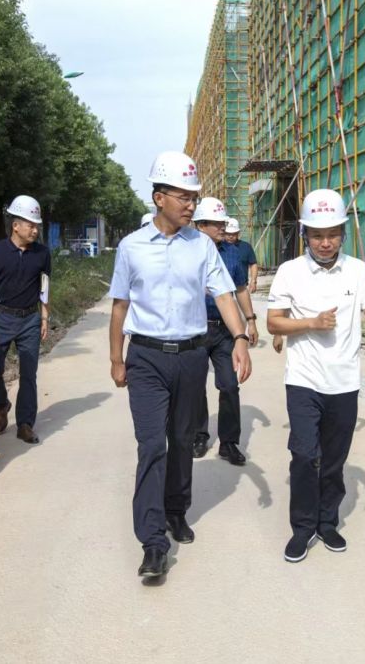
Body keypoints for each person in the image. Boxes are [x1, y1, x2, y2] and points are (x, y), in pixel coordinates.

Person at [109, 151, 253, 578]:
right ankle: (153, 541)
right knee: (153, 444)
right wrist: (116, 358)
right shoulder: (131, 247)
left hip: (191, 356)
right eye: (183, 197)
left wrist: (240, 337)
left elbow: (223, 294)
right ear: (159, 197)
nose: (191, 205)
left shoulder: (202, 246)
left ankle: (176, 510)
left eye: (194, 197)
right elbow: (120, 305)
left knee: (182, 438)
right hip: (146, 357)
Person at [266, 188, 365, 563]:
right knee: (305, 455)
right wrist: (311, 323)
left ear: (343, 233)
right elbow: (273, 322)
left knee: (334, 459)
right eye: (317, 235)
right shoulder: (290, 272)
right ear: (305, 234)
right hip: (303, 380)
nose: (325, 242)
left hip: (344, 383)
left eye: (333, 234)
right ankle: (302, 529)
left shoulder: (357, 270)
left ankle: (327, 522)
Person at [191, 198, 258, 464]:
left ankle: (229, 443)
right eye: (216, 223)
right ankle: (198, 435)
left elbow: (240, 289)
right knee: (195, 385)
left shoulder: (232, 253)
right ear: (201, 225)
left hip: (224, 331)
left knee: (230, 385)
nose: (223, 227)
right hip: (195, 330)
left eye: (223, 222)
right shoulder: (187, 252)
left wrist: (250, 320)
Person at [0, 194, 52, 445]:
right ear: (16, 226)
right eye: (31, 225)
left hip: (30, 319)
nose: (35, 230)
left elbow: (44, 285)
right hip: (1, 318)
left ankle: (25, 424)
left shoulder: (42, 253)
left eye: (37, 226)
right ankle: (2, 403)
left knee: (29, 373)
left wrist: (44, 317)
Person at [224, 218, 259, 293]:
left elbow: (253, 264)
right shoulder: (218, 247)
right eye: (228, 234)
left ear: (238, 233)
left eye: (233, 234)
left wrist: (253, 281)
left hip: (241, 286)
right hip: (224, 287)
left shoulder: (246, 247)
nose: (231, 236)